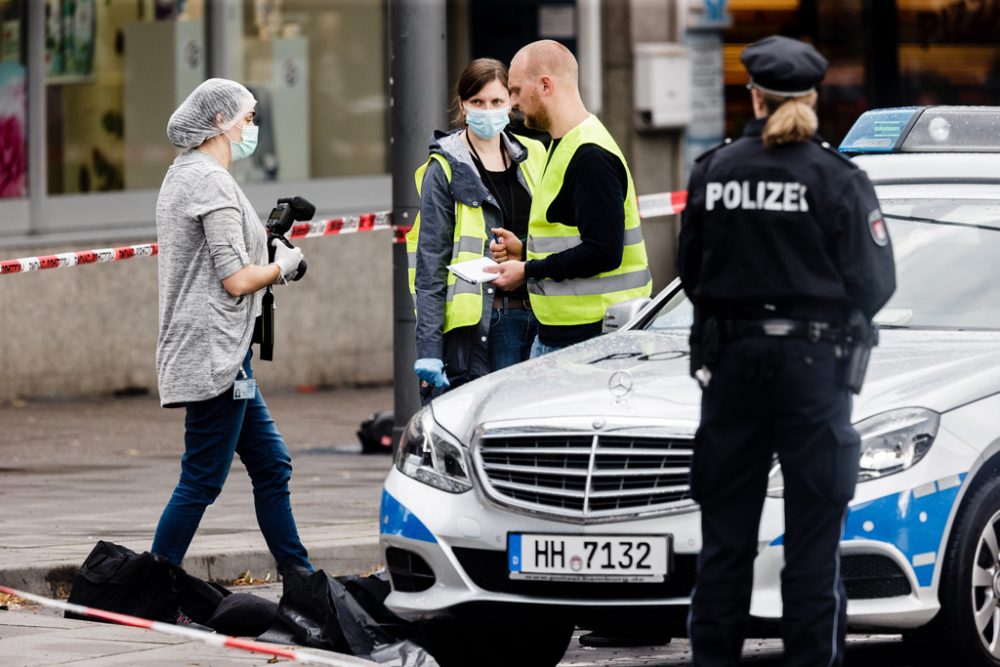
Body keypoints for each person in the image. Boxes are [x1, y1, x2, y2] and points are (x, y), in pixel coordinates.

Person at [677, 36, 896, 667]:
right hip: (814, 373)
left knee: (724, 545)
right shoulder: (836, 178)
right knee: (812, 544)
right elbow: (876, 282)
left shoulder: (714, 170)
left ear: (753, 96)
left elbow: (692, 273)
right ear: (812, 100)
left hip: (733, 372)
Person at [151, 78, 313, 577]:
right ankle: (151, 588)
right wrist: (284, 265)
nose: (253, 127)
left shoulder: (186, 173)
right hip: (215, 355)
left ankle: (301, 579)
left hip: (224, 353)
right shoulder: (210, 181)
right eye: (247, 117)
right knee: (201, 479)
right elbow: (236, 278)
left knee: (271, 465)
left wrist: (266, 247)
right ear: (219, 121)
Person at [486, 40, 652, 356]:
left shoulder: (590, 155)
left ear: (546, 85)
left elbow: (603, 252)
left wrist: (527, 270)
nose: (513, 102)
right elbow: (574, 235)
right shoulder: (566, 144)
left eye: (517, 90)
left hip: (595, 339)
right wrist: (523, 250)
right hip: (573, 336)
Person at [407, 58, 547, 400]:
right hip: (488, 324)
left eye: (496, 102)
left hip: (541, 317)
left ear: (510, 103)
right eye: (478, 102)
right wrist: (429, 346)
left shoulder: (536, 155)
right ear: (462, 106)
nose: (488, 110)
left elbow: (551, 234)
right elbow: (430, 267)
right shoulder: (444, 168)